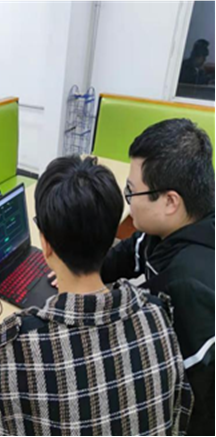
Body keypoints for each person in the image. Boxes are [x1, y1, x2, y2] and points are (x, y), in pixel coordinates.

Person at [0, 156, 194, 436]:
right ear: (111, 236)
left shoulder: (15, 348)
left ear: (45, 244)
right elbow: (181, 411)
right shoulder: (158, 316)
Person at [101, 119, 215, 436]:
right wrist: (83, 270)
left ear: (169, 201)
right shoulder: (170, 228)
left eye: (132, 191)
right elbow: (130, 252)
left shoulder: (189, 285)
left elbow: (192, 399)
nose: (129, 199)